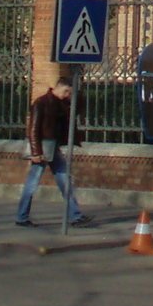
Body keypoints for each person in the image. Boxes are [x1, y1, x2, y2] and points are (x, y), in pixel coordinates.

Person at [16, 76, 94, 228]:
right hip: (42, 148)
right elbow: (33, 129)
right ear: (59, 87)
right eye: (66, 92)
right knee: (32, 184)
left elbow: (78, 110)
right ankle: (21, 217)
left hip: (54, 148)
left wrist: (77, 95)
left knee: (65, 182)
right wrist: (36, 152)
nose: (67, 95)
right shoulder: (41, 103)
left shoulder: (63, 104)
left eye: (69, 93)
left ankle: (75, 216)